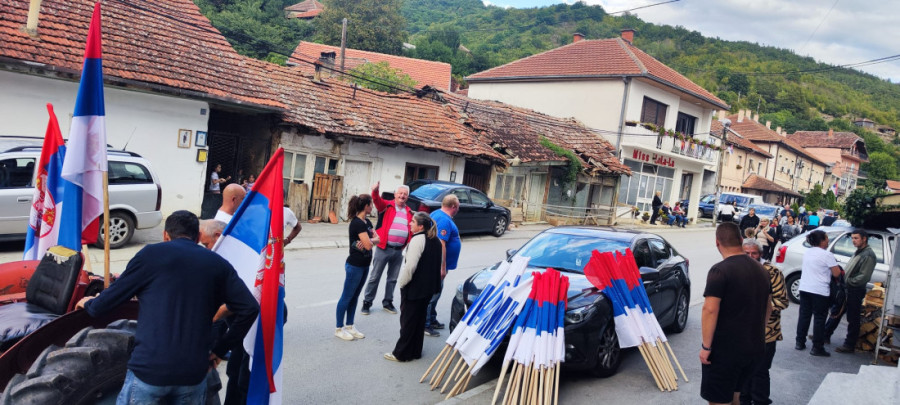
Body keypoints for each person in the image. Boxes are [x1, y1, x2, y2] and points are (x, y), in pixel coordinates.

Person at [76, 211, 259, 404]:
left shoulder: (150, 255)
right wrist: (221, 350)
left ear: (165, 235)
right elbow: (250, 308)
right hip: (193, 373)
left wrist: (89, 303)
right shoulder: (218, 264)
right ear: (197, 237)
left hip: (149, 370)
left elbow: (107, 301)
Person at [700, 222, 772, 405]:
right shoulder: (762, 270)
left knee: (719, 400)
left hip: (726, 351)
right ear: (741, 240)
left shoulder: (720, 270)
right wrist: (758, 334)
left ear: (717, 243)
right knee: (735, 397)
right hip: (754, 348)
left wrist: (706, 347)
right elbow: (769, 307)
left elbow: (710, 309)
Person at [385, 212, 443, 362]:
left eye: (412, 222)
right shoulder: (435, 240)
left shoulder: (418, 240)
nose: (410, 223)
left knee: (408, 321)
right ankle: (415, 351)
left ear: (420, 226)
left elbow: (410, 266)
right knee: (419, 320)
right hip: (428, 288)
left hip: (415, 288)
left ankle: (401, 353)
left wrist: (402, 283)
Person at [739, 239, 789, 405]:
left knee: (760, 371)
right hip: (742, 334)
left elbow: (782, 301)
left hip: (766, 333)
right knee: (742, 371)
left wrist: (758, 308)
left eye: (754, 253)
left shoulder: (772, 272)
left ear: (760, 254)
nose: (751, 256)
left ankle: (761, 401)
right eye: (746, 253)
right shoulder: (737, 270)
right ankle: (744, 400)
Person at [362, 181, 414, 315]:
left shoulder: (409, 212)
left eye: (405, 194)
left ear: (407, 196)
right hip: (383, 248)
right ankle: (367, 302)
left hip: (398, 250)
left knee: (393, 279)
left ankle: (387, 302)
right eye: (400, 193)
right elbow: (376, 200)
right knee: (375, 277)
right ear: (395, 194)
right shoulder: (386, 205)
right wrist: (375, 191)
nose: (402, 196)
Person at [824, 229, 877, 353]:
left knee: (853, 318)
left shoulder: (868, 254)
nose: (853, 241)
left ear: (864, 239)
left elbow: (864, 276)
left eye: (856, 238)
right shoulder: (860, 251)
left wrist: (848, 281)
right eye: (852, 238)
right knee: (836, 312)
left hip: (855, 290)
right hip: (847, 288)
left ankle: (849, 345)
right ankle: (825, 335)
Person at [336, 194, 379, 341]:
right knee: (346, 296)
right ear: (365, 206)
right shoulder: (357, 224)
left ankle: (350, 325)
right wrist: (370, 241)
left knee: (355, 296)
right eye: (371, 204)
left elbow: (377, 239)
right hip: (355, 265)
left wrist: (370, 240)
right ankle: (339, 328)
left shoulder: (367, 222)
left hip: (365, 264)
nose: (372, 207)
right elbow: (368, 244)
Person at [795, 230, 842, 356]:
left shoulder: (808, 252)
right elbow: (836, 273)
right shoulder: (827, 255)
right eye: (827, 239)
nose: (828, 241)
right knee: (819, 318)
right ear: (822, 241)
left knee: (804, 315)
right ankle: (817, 347)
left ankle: (800, 341)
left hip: (805, 287)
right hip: (820, 290)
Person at [424, 195, 461, 337]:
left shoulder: (437, 214)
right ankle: (425, 324)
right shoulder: (444, 220)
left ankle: (432, 319)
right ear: (453, 207)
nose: (458, 209)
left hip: (436, 264)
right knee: (433, 294)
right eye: (458, 206)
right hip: (437, 265)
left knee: (437, 292)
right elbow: (441, 244)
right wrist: (442, 267)